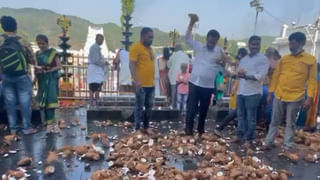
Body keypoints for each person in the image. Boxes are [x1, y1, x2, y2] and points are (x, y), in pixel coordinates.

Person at [264, 32, 317, 150]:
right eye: (290, 43)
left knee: (290, 122)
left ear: (301, 43)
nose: (290, 45)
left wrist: (309, 98)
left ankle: (287, 144)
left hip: (296, 96)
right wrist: (270, 93)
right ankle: (269, 141)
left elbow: (312, 80)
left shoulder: (311, 60)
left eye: (293, 43)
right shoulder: (284, 59)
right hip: (279, 94)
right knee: (275, 120)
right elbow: (276, 76)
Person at [184, 14, 229, 135]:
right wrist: (191, 23)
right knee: (191, 109)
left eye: (213, 41)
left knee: (203, 110)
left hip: (208, 86)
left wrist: (224, 63)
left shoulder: (219, 51)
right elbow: (187, 39)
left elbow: (224, 67)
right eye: (210, 39)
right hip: (194, 83)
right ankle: (188, 131)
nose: (211, 42)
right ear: (207, 38)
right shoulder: (199, 46)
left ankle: (200, 131)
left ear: (216, 41)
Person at [0, 16, 37, 135]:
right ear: (15, 26)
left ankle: (13, 129)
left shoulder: (0, 40)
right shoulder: (22, 41)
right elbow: (32, 59)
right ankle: (26, 128)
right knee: (25, 102)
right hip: (22, 75)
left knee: (10, 102)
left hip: (6, 75)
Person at [235, 35, 269, 146]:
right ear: (249, 45)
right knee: (240, 116)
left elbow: (260, 76)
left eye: (257, 44)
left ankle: (249, 139)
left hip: (253, 93)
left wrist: (246, 76)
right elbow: (238, 73)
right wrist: (234, 73)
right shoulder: (244, 59)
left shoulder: (263, 59)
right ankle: (239, 136)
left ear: (260, 45)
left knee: (251, 118)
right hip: (241, 91)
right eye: (253, 44)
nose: (255, 46)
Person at [214, 48, 248, 136]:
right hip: (240, 92)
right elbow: (231, 74)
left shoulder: (246, 67)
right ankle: (223, 128)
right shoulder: (240, 68)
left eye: (240, 59)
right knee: (238, 113)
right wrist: (223, 64)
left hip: (245, 92)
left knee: (239, 113)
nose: (238, 61)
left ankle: (224, 128)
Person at [129, 27, 155, 132]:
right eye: (149, 37)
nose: (151, 39)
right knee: (139, 106)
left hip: (150, 84)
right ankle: (137, 128)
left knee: (149, 106)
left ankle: (146, 127)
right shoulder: (135, 47)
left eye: (152, 37)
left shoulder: (151, 49)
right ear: (142, 36)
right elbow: (132, 65)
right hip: (140, 84)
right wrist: (136, 80)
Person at [35, 34, 61, 130]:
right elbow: (36, 66)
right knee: (43, 101)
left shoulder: (52, 53)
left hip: (50, 78)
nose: (41, 46)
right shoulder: (37, 54)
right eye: (39, 44)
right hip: (41, 79)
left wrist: (49, 70)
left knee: (50, 99)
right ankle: (46, 122)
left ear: (47, 43)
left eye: (43, 43)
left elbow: (59, 66)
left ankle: (51, 121)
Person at [167, 44, 190, 109]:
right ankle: (183, 110)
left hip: (174, 77)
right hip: (185, 78)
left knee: (174, 95)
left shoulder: (173, 55)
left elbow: (168, 65)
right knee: (184, 96)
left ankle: (174, 109)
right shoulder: (186, 56)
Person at [87, 34, 107, 105]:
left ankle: (92, 103)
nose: (102, 41)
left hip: (94, 71)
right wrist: (104, 62)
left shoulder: (95, 48)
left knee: (92, 88)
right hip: (95, 71)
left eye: (102, 40)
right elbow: (96, 60)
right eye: (101, 40)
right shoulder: (94, 48)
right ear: (96, 39)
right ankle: (95, 103)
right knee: (95, 88)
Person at [305, 63, 320, 131]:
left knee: (309, 111)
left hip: (312, 97)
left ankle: (307, 126)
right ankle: (312, 125)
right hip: (316, 99)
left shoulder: (313, 77)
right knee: (315, 112)